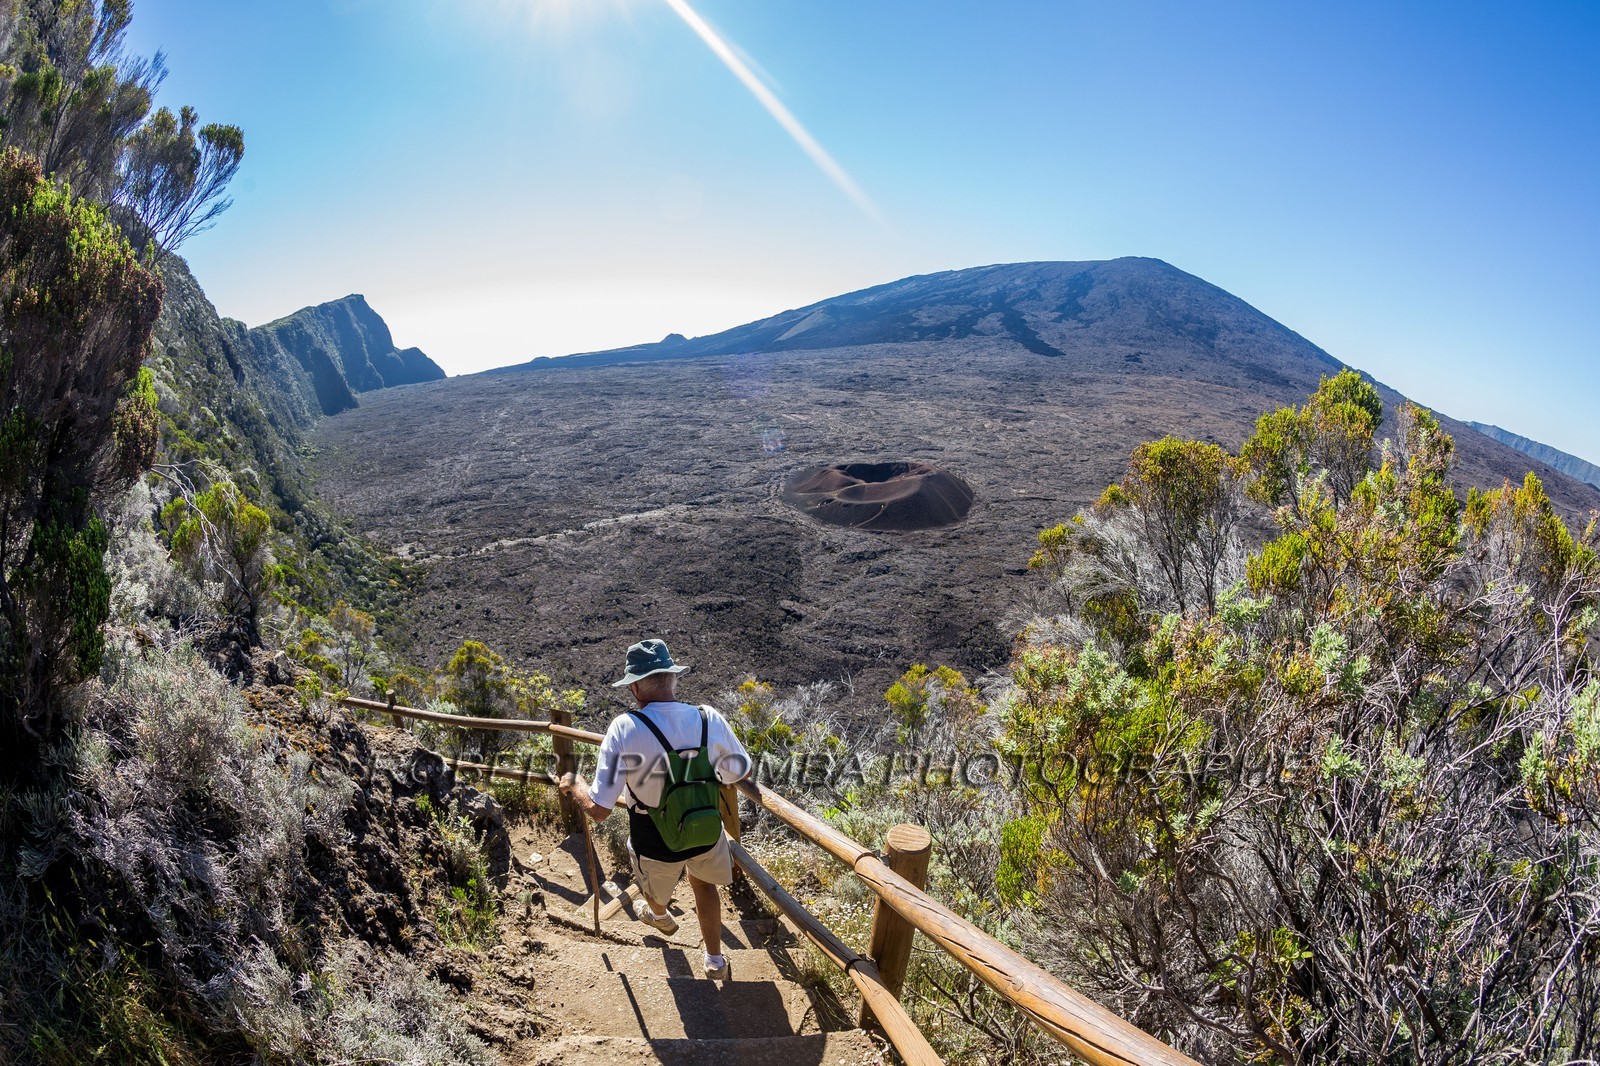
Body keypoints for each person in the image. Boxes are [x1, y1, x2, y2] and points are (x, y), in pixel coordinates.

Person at [559, 638, 752, 981]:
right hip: (705, 827)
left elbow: (600, 808)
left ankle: (659, 915)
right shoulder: (708, 718)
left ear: (634, 687)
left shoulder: (625, 727)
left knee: (652, 893)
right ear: (673, 678)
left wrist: (575, 784)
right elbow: (739, 772)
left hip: (654, 836)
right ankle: (715, 960)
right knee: (703, 885)